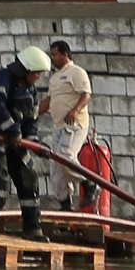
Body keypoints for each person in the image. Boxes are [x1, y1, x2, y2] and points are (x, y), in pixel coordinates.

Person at [0, 45, 52, 238]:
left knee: (29, 177)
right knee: (0, 178)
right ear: (25, 70)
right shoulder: (2, 79)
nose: (38, 77)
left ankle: (32, 228)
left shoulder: (31, 90)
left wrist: (34, 142)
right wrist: (12, 128)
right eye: (36, 73)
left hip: (14, 141)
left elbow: (31, 118)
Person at [42, 39, 95, 209]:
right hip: (58, 127)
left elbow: (86, 94)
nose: (52, 58)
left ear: (65, 55)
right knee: (56, 168)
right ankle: (65, 205)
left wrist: (75, 110)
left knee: (65, 156)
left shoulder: (76, 72)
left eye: (55, 55)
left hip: (74, 124)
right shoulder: (55, 78)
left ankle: (89, 184)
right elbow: (49, 101)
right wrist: (32, 114)